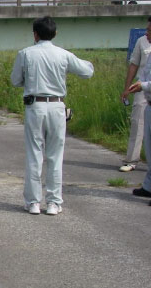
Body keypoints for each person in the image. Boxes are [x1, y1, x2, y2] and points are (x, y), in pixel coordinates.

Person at [11, 16, 94, 215]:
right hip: (57, 106)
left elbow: (16, 80)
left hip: (35, 106)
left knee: (34, 155)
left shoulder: (25, 54)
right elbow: (87, 72)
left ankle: (33, 202)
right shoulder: (63, 54)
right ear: (55, 34)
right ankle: (54, 203)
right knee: (55, 156)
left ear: (35, 34)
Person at [118, 17, 151, 171]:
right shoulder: (141, 42)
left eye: (149, 30)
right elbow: (134, 65)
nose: (146, 33)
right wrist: (127, 88)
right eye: (147, 29)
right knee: (137, 122)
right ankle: (131, 160)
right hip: (142, 88)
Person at [127, 40, 151, 204]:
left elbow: (145, 82)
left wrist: (143, 85)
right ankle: (148, 186)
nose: (147, 34)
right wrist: (138, 84)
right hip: (149, 103)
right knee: (149, 149)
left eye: (149, 30)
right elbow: (144, 73)